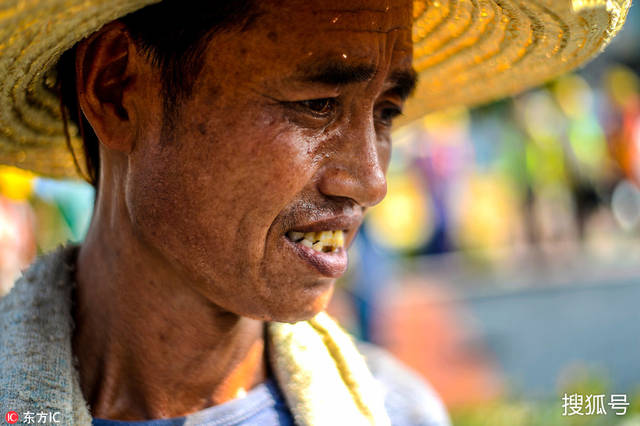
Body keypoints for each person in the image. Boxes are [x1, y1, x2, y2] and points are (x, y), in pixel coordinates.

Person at [0, 0, 629, 425]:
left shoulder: (398, 410)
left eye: (385, 112)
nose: (371, 181)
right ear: (116, 89)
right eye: (320, 104)